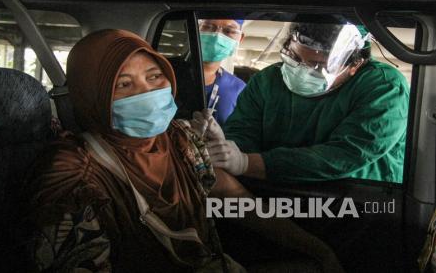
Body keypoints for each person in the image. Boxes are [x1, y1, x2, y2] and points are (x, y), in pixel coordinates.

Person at [23, 29, 343, 272]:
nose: (147, 93)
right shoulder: (72, 173)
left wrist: (314, 246)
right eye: (123, 85)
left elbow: (226, 194)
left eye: (154, 77)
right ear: (91, 95)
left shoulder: (177, 136)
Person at [194, 22, 409, 183]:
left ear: (355, 64)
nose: (302, 70)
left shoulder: (384, 86)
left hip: (355, 201)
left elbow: (345, 154)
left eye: (318, 65)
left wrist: (246, 163)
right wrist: (226, 148)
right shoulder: (268, 80)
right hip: (273, 192)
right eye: (295, 58)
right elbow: (243, 132)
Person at [199, 19, 246, 125]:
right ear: (197, 29)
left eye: (228, 31)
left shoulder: (240, 90)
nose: (217, 36)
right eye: (208, 27)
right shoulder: (168, 74)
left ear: (240, 38)